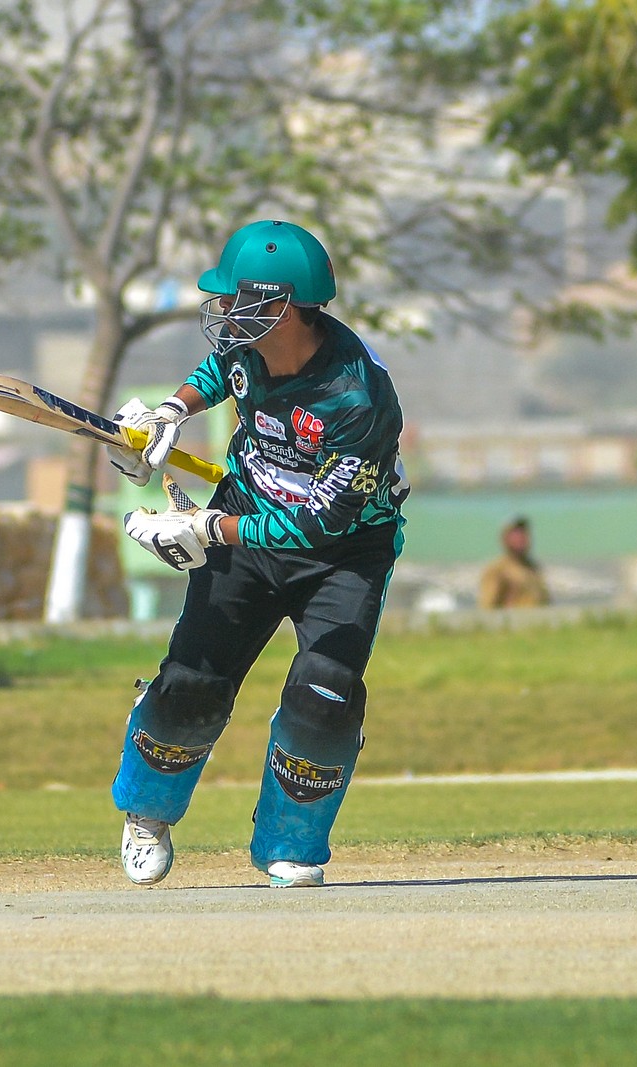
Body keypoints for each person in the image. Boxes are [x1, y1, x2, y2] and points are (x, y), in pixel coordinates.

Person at [105, 220, 409, 889]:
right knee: (192, 685)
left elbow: (321, 522)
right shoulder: (250, 347)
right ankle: (147, 811)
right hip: (243, 520)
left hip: (343, 551)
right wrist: (169, 412)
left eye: (234, 298)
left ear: (281, 306)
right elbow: (221, 371)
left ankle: (289, 844)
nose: (223, 311)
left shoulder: (358, 399)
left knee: (325, 698)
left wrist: (207, 528)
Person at [478, 517, 548, 609]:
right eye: (515, 534)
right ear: (505, 538)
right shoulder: (497, 570)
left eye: (523, 533)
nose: (520, 538)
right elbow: (487, 608)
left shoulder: (533, 568)